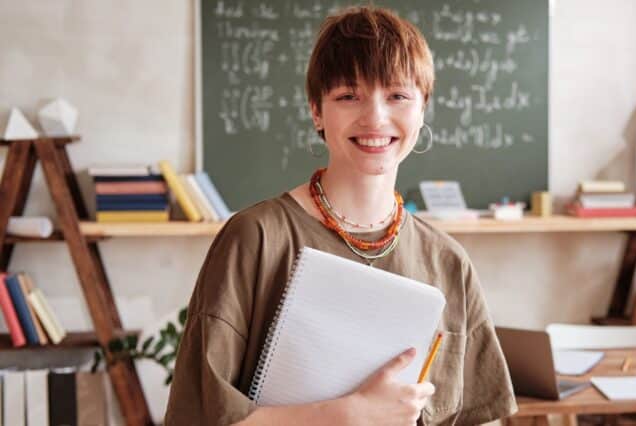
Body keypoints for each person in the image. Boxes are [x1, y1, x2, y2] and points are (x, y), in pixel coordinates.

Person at [165, 6, 516, 426]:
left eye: (398, 96)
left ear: (422, 111)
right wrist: (350, 414)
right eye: (348, 96)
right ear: (317, 110)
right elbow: (203, 416)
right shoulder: (256, 238)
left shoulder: (448, 262)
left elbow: (481, 416)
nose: (375, 118)